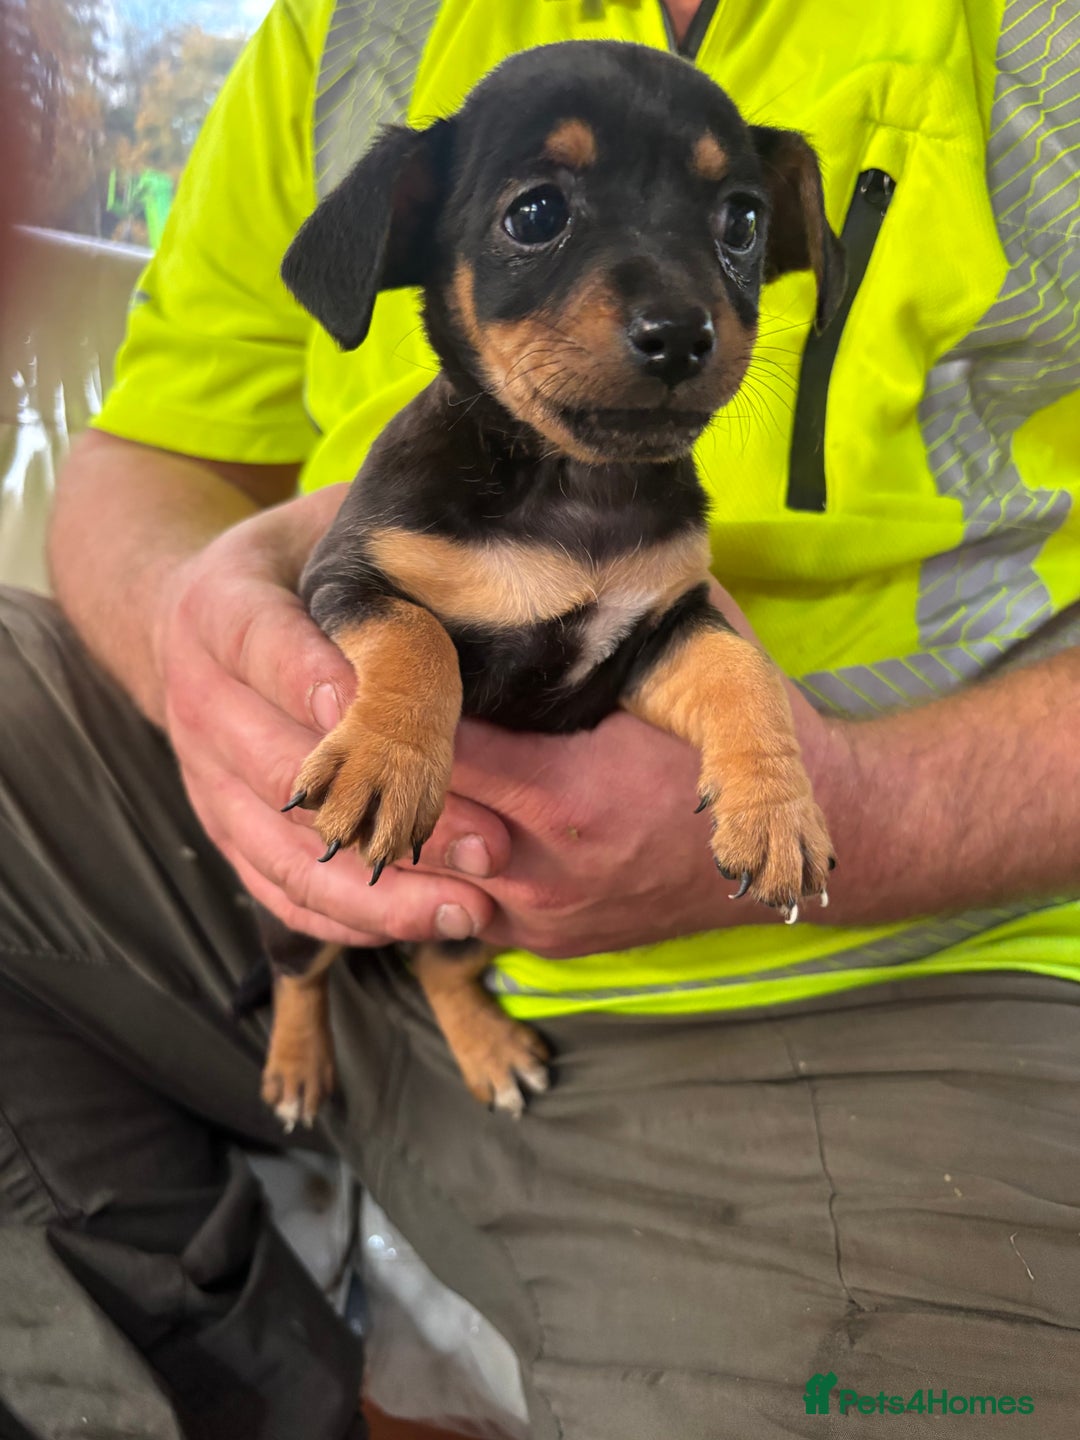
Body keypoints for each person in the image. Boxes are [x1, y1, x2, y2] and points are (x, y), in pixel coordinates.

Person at [2, 0, 1080, 1436]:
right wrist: (189, 653)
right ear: (413, 237)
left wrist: (845, 803)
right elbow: (159, 456)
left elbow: (690, 647)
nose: (677, 310)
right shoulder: (347, 29)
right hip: (301, 848)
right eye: (537, 215)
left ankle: (446, 1046)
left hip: (854, 975)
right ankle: (289, 1102)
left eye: (733, 229)